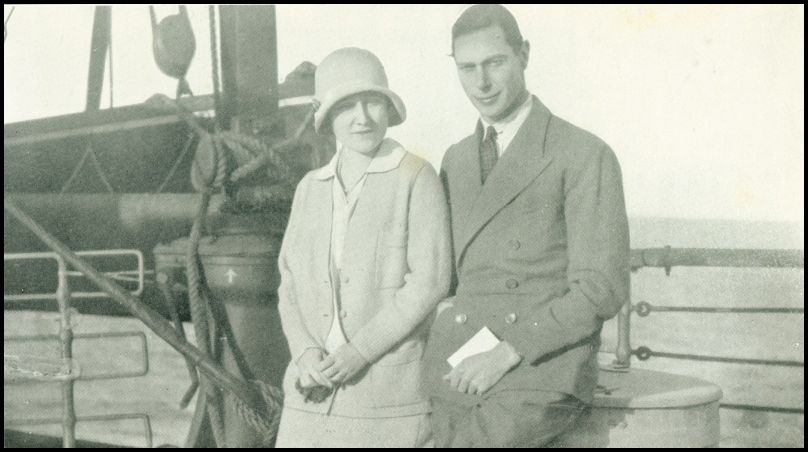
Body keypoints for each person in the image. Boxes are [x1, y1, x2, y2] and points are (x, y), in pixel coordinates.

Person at [421, 4, 631, 447]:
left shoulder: (582, 154)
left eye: (495, 63)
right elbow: (451, 277)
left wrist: (505, 353)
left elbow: (602, 287)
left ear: (524, 55)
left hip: (540, 367)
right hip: (462, 361)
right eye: (468, 68)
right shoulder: (456, 160)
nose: (481, 83)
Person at [275, 47, 451, 448]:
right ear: (324, 114)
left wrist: (359, 351)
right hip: (308, 399)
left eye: (373, 101)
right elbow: (289, 283)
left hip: (387, 405)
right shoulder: (309, 189)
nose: (363, 117)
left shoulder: (416, 177)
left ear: (388, 107)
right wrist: (304, 353)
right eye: (347, 105)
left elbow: (431, 281)